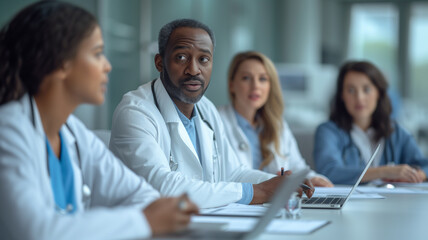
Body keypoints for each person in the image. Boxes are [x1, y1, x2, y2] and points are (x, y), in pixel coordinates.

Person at [0, 2, 197, 239]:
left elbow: (143, 196)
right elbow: (38, 231)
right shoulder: (8, 130)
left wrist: (147, 217)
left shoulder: (73, 132)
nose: (107, 66)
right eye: (97, 53)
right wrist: (143, 221)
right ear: (61, 62)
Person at [109, 19, 314, 209]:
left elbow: (232, 172)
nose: (194, 69)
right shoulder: (136, 112)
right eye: (181, 57)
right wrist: (260, 191)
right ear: (160, 62)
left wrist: (281, 184)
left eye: (204, 59)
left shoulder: (206, 108)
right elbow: (163, 188)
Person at [217, 51, 333, 187]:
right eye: (246, 78)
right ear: (231, 85)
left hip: (274, 201)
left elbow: (297, 166)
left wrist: (312, 179)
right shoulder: (217, 121)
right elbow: (225, 175)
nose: (255, 86)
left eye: (263, 79)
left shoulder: (278, 125)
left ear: (270, 85)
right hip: (239, 203)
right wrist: (275, 181)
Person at [314, 60, 428, 185]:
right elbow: (329, 171)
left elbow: (424, 165)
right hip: (351, 204)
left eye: (366, 89)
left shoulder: (396, 132)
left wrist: (417, 175)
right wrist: (385, 171)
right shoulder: (328, 131)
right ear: (342, 95)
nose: (359, 98)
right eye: (351, 90)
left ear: (378, 93)